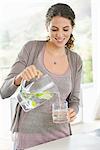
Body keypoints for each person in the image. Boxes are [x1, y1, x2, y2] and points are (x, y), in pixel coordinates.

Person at [0, 3, 82, 150]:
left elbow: (74, 101)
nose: (60, 35)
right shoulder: (31, 49)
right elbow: (4, 91)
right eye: (54, 29)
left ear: (72, 28)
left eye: (65, 29)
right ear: (47, 27)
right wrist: (19, 78)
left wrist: (73, 111)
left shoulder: (75, 60)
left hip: (60, 133)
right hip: (29, 135)